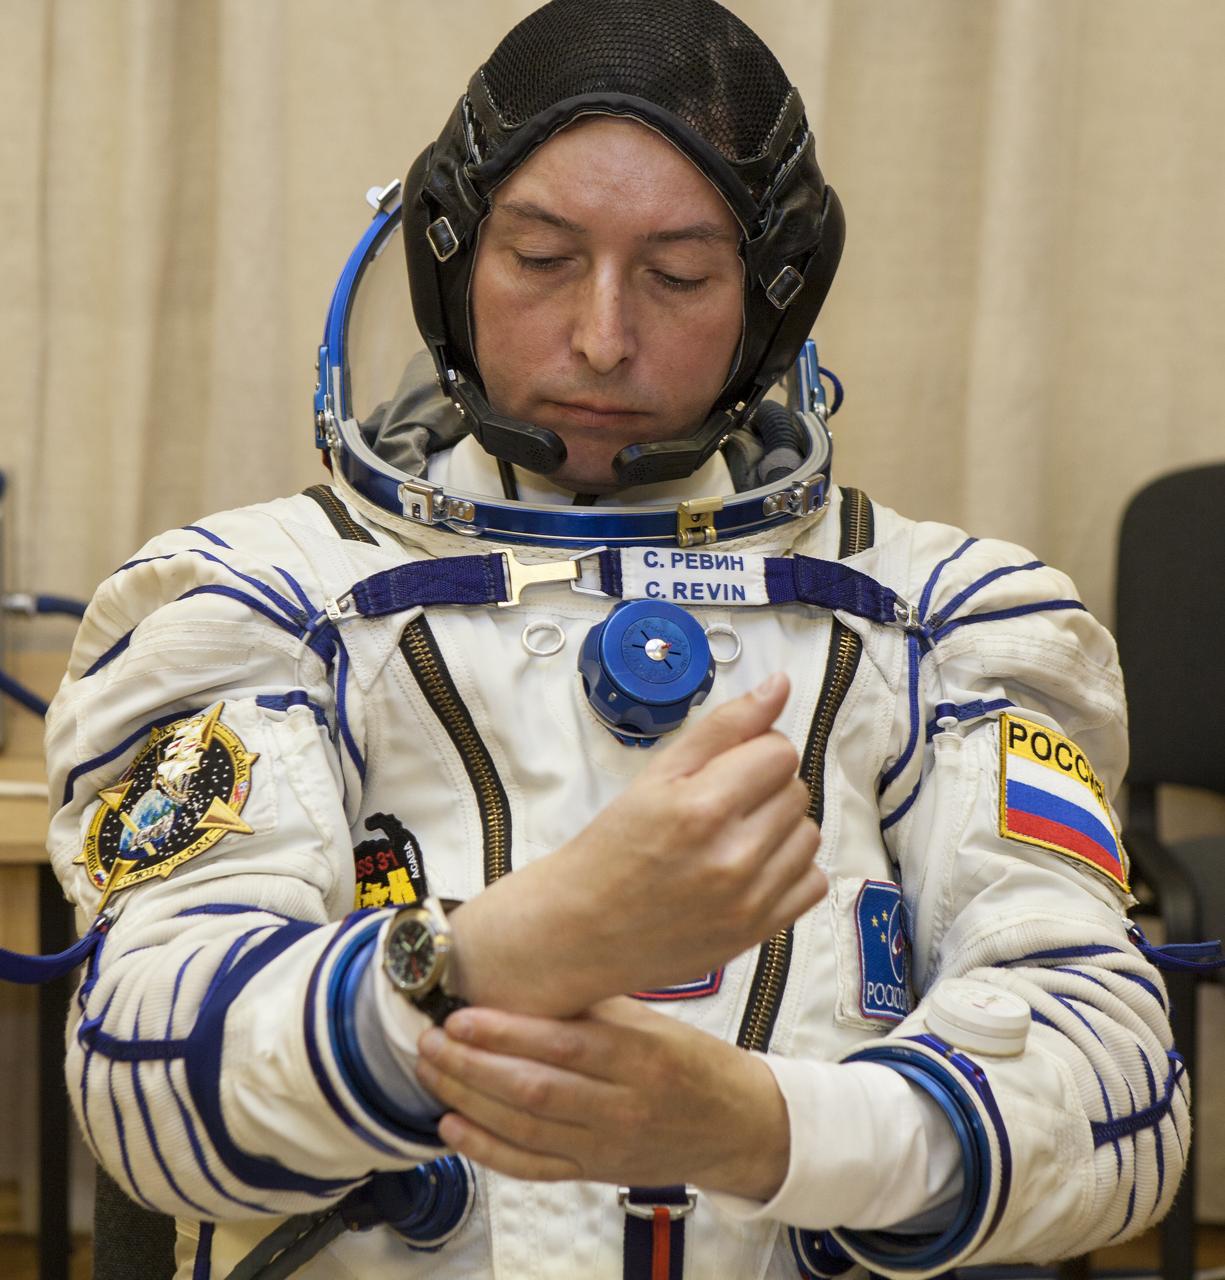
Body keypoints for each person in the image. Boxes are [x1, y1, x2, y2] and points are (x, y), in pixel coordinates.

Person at [44, 1, 1188, 1276]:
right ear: (449, 262)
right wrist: (492, 959)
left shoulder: (953, 614)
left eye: (680, 277)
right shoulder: (248, 597)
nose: (601, 335)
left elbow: (1114, 1094)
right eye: (538, 258)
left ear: (771, 301)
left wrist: (761, 1129)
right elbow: (145, 1077)